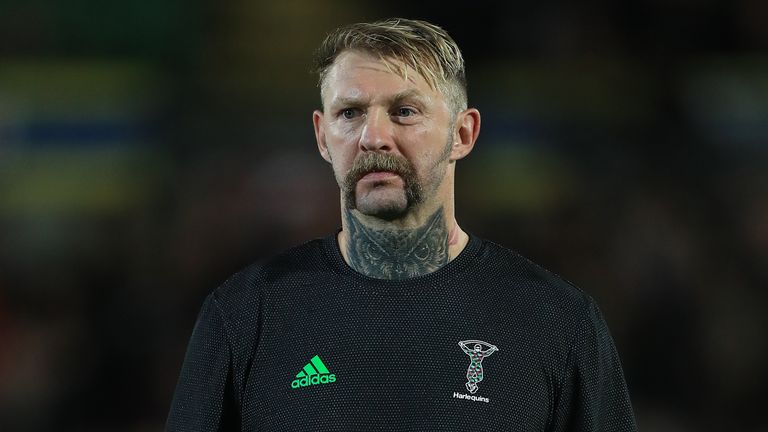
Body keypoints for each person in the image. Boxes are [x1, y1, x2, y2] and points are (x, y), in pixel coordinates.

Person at [166, 18, 637, 431]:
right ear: (322, 137)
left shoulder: (554, 321)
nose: (373, 136)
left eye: (404, 112)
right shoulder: (248, 315)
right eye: (350, 113)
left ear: (463, 133)